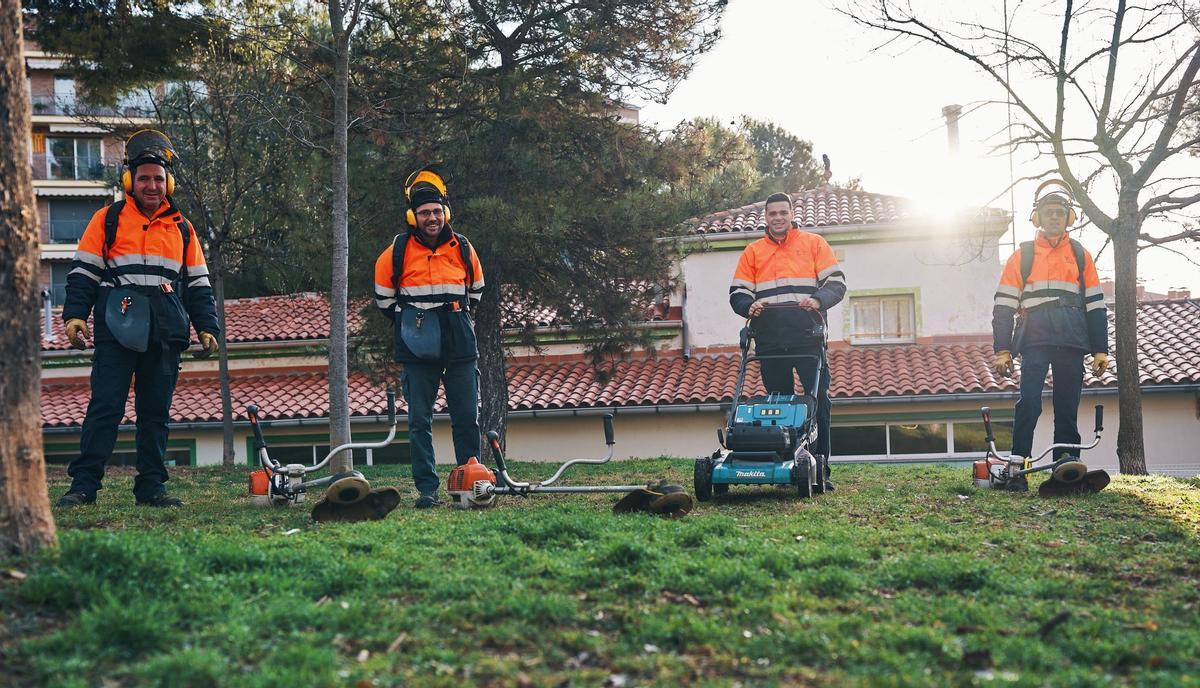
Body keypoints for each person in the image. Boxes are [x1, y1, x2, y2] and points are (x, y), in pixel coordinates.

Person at [58, 129, 219, 508]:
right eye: (144, 177)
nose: (152, 185)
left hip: (165, 326)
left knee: (155, 413)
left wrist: (208, 326)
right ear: (130, 180)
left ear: (169, 183)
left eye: (158, 179)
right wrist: (75, 317)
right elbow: (83, 274)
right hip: (118, 321)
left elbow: (198, 284)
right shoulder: (107, 219)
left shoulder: (182, 227)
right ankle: (83, 486)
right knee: (105, 406)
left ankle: (151, 487)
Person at [373, 166, 485, 508]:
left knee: (467, 416)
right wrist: (412, 322)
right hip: (417, 343)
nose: (432, 217)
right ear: (413, 216)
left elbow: (476, 291)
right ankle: (427, 489)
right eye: (424, 213)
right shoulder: (395, 252)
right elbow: (383, 299)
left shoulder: (462, 247)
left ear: (445, 212)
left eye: (436, 211)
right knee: (419, 420)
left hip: (460, 340)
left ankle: (471, 482)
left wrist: (452, 317)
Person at [728, 192, 847, 489]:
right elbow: (737, 293)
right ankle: (786, 469)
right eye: (773, 214)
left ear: (792, 214)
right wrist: (748, 306)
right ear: (766, 218)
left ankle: (821, 470)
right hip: (770, 341)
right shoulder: (753, 252)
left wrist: (817, 300)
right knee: (778, 408)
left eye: (783, 213)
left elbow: (837, 283)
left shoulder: (814, 244)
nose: (778, 218)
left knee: (818, 403)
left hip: (808, 339)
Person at [992, 180, 1108, 477]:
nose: (1054, 217)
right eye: (1048, 212)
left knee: (1067, 406)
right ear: (1038, 217)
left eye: (1059, 212)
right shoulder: (1023, 256)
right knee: (1029, 402)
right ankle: (1018, 464)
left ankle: (1066, 467)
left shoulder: (1081, 255)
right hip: (1035, 339)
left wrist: (1100, 350)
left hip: (1072, 339)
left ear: (1068, 217)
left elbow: (1095, 305)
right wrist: (1002, 349)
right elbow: (1004, 306)